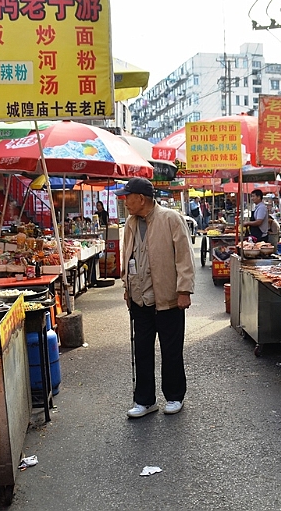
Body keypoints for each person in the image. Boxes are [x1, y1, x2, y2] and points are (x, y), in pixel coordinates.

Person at [117, 177, 195, 418]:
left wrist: (184, 290)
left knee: (171, 350)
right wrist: (127, 286)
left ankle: (174, 396)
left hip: (168, 296)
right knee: (141, 350)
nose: (125, 201)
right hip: (140, 298)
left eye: (127, 197)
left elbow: (184, 256)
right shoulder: (130, 222)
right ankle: (145, 400)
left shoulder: (171, 218)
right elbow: (127, 254)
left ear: (141, 198)